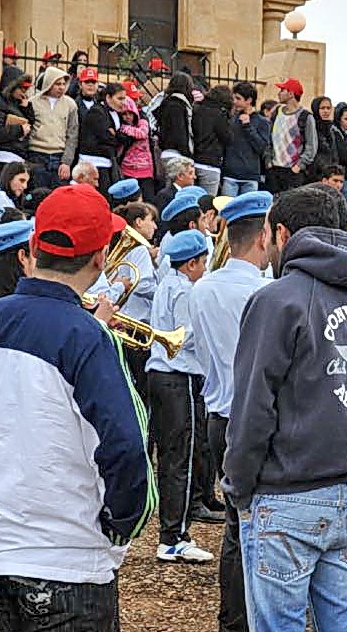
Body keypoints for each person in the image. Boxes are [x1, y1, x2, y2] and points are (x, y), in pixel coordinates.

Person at [0, 183, 153, 628]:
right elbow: (125, 446)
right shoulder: (88, 336)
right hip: (67, 557)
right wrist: (121, 526)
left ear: (33, 245)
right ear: (101, 258)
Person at [224, 183, 347, 631]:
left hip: (285, 495)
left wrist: (240, 486)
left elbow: (252, 410)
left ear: (281, 233)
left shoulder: (276, 299)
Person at [187, 190, 271, 630]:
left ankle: (232, 620)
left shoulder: (202, 288)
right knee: (261, 529)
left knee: (236, 530)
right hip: (255, 419)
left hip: (219, 415)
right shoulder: (265, 292)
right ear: (263, 237)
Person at [146, 228, 215, 563]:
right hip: (179, 375)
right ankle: (175, 535)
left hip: (161, 375)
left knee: (171, 456)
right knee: (182, 458)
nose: (206, 268)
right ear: (191, 264)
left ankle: (172, 531)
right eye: (203, 262)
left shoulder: (166, 284)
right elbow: (185, 337)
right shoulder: (186, 290)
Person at [26, 65, 79, 189]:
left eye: (64, 84)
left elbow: (72, 135)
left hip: (58, 157)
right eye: (57, 84)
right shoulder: (32, 102)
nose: (61, 87)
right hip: (36, 155)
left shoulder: (70, 104)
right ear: (49, 83)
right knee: (37, 193)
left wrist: (66, 162)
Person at [266, 78, 317, 194]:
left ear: (291, 94)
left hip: (293, 172)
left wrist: (299, 166)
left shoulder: (305, 117)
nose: (279, 93)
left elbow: (311, 146)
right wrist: (268, 161)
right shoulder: (276, 112)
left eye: (282, 90)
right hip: (274, 170)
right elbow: (269, 139)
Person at [221, 82, 271, 198]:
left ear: (249, 100)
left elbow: (261, 147)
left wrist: (248, 127)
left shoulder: (262, 121)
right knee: (227, 207)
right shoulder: (232, 118)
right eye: (234, 98)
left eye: (238, 98)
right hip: (230, 175)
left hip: (250, 176)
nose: (235, 101)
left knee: (248, 209)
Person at [0, 66, 34, 190]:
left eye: (27, 89)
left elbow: (31, 125)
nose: (24, 92)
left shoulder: (19, 104)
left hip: (16, 157)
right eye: (22, 88)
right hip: (2, 158)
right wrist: (20, 130)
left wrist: (26, 109)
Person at [77, 81, 127, 185]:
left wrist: (116, 135)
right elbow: (106, 138)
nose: (123, 102)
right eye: (119, 99)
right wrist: (115, 137)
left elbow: (124, 137)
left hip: (108, 161)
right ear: (108, 97)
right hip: (94, 162)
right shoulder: (97, 112)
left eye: (124, 99)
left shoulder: (116, 113)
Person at [191, 86, 233, 195]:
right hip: (210, 163)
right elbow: (227, 138)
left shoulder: (196, 109)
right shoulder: (219, 114)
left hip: (193, 161)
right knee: (207, 201)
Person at [154, 71, 197, 163]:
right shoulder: (178, 105)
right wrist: (187, 153)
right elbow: (180, 132)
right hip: (178, 155)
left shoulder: (166, 103)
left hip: (165, 152)